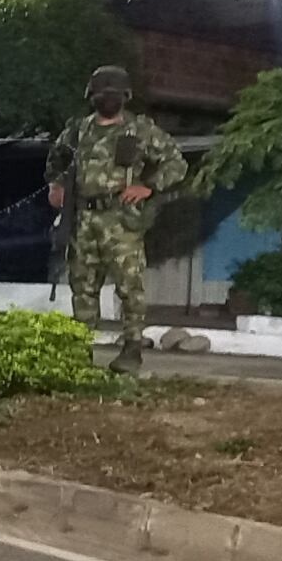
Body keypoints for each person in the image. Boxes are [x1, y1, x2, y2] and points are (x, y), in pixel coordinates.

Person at [45, 65, 187, 373]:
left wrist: (147, 187)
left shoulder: (140, 131)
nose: (107, 99)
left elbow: (176, 164)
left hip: (122, 221)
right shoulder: (76, 131)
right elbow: (56, 160)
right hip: (83, 219)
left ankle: (131, 350)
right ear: (91, 96)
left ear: (125, 97)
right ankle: (79, 351)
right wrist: (55, 185)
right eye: (101, 94)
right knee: (82, 288)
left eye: (113, 94)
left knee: (129, 287)